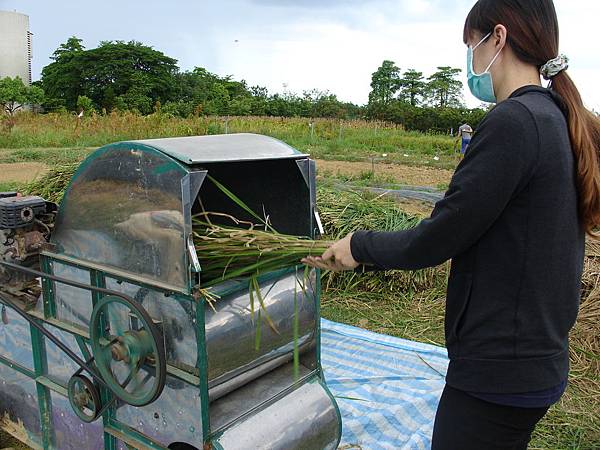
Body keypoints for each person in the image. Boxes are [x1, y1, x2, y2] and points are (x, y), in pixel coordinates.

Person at [302, 0, 600, 448]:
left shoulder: (515, 123)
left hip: (499, 371)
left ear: (497, 38)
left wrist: (358, 247)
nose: (471, 59)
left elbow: (440, 235)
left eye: (471, 44)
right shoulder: (555, 117)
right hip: (533, 361)